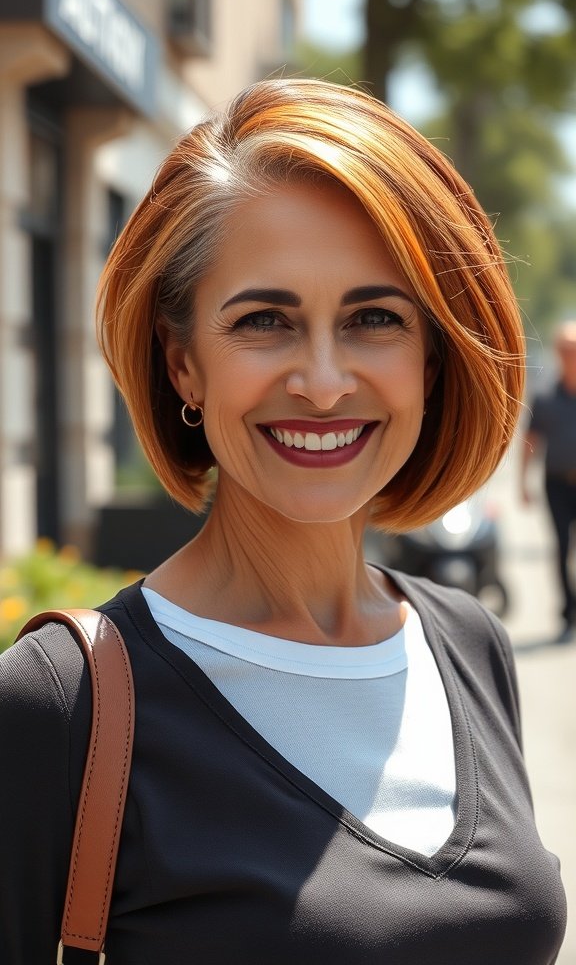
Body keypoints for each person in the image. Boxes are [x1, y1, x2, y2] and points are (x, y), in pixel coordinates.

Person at [0, 79, 567, 964]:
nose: (325, 383)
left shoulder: (469, 643)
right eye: (265, 320)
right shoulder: (57, 704)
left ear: (431, 357)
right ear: (183, 364)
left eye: (375, 318)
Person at [521, 321, 576, 641]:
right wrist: (522, 484)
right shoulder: (545, 398)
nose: (570, 356)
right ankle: (568, 614)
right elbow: (530, 441)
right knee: (562, 546)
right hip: (556, 483)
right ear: (557, 353)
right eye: (565, 350)